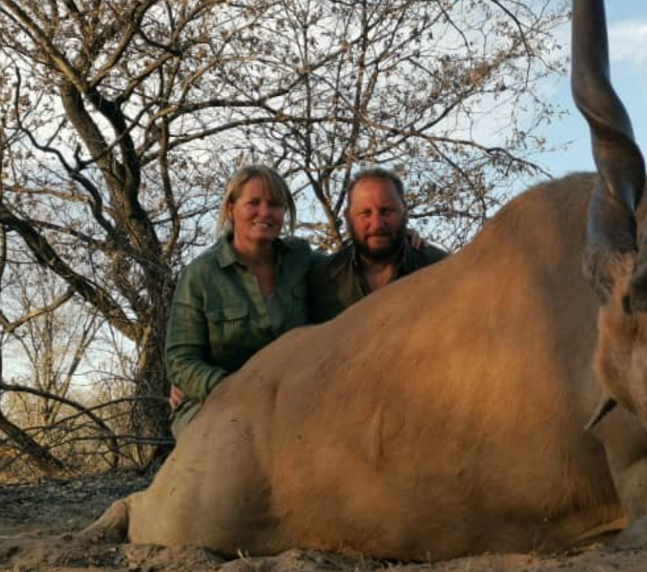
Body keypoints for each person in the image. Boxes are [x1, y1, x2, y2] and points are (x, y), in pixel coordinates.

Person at [164, 164, 319, 437]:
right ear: (231, 209)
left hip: (293, 398)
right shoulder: (201, 274)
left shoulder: (301, 258)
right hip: (217, 402)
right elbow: (180, 359)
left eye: (275, 204)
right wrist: (225, 387)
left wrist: (407, 246)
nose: (265, 212)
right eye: (253, 203)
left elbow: (350, 273)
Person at [310, 167, 448, 320]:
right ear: (348, 218)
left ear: (404, 212)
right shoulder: (321, 279)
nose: (377, 224)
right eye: (365, 213)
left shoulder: (440, 268)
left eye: (386, 211)